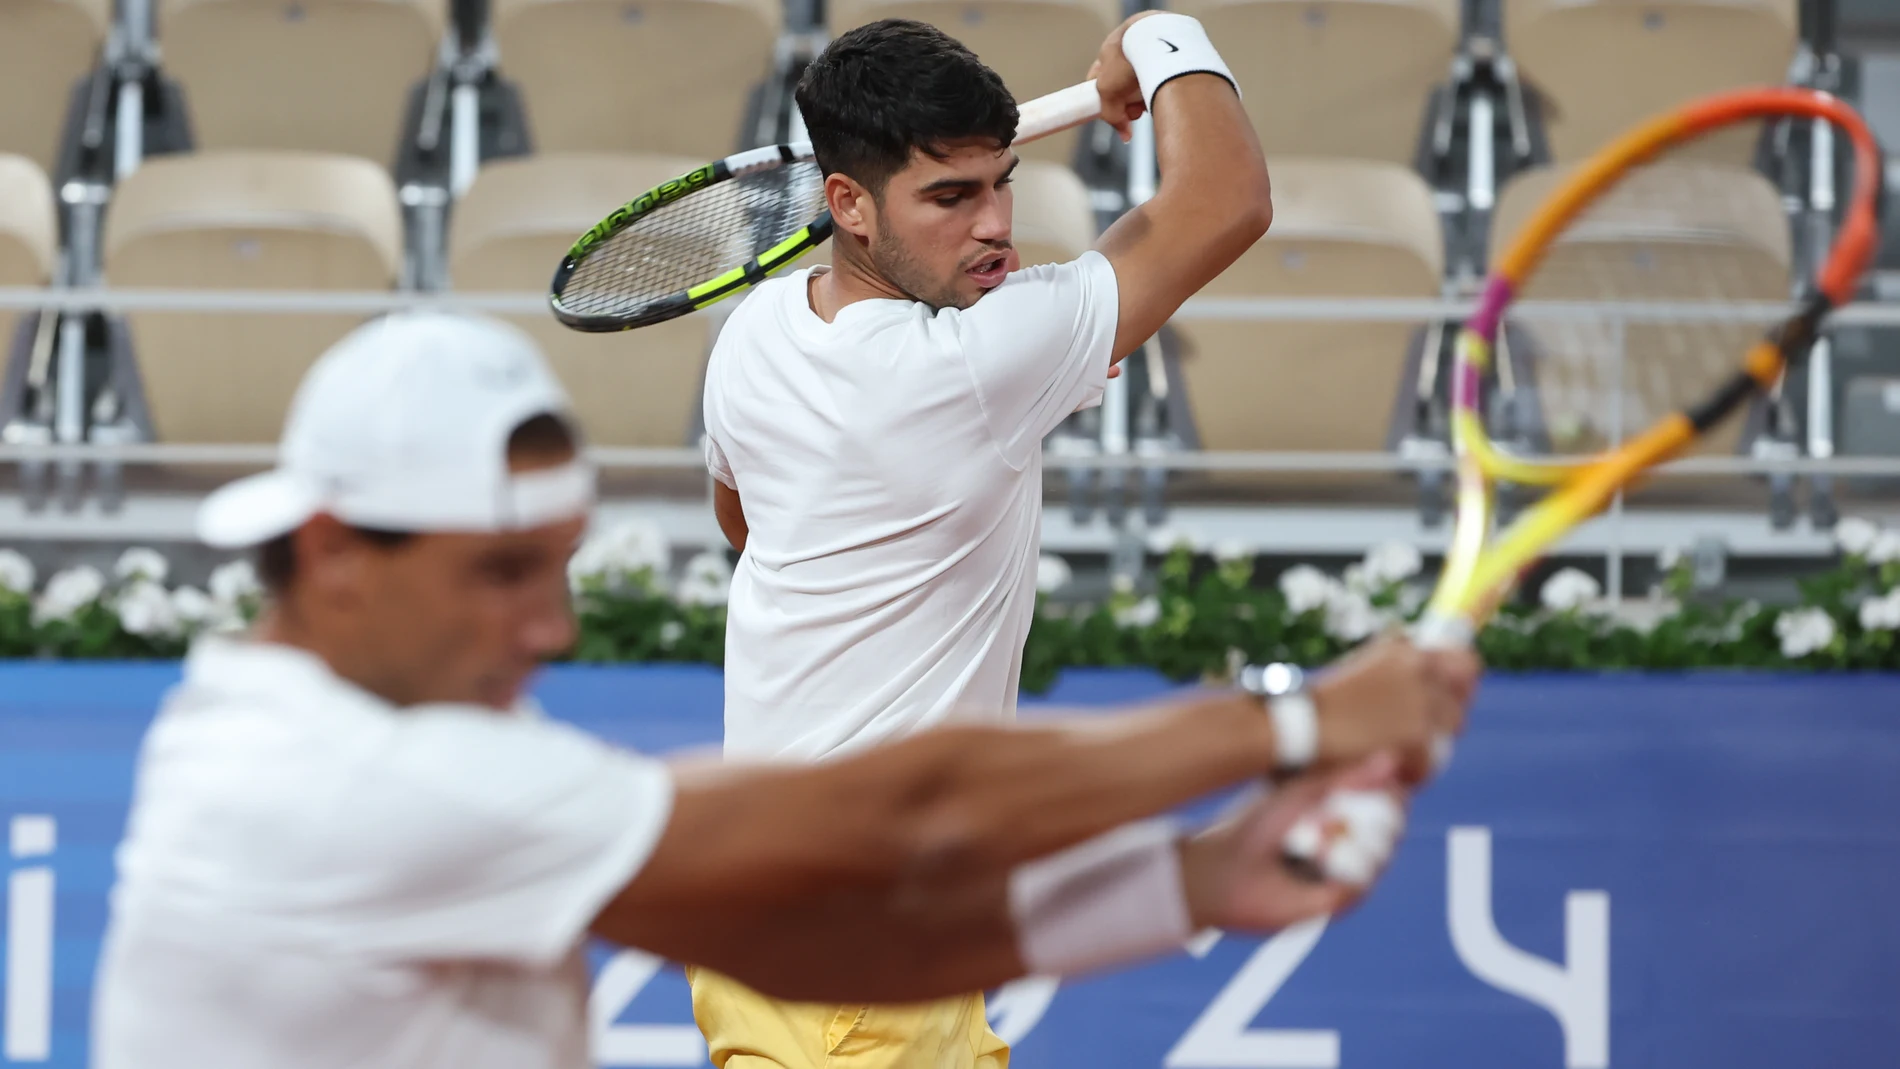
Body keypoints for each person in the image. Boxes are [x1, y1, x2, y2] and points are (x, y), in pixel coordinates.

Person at [90, 312, 1477, 1069]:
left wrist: (1190, 881)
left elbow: (826, 945)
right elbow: (898, 821)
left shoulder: (324, 736)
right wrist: (1294, 720)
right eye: (502, 573)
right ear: (336, 553)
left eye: (558, 568)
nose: (553, 628)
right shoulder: (349, 786)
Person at [695, 13, 1399, 1069]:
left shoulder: (754, 333)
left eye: (1000, 183)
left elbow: (743, 522)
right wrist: (1159, 36)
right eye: (949, 197)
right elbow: (1227, 196)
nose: (993, 228)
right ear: (844, 204)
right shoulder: (971, 366)